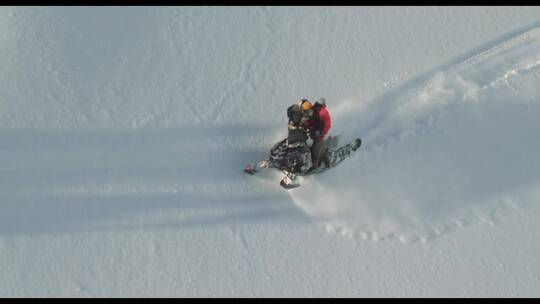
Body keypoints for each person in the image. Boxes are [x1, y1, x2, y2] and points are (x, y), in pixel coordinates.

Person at [286, 98, 331, 173]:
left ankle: (315, 166)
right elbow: (306, 118)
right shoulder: (312, 108)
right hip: (310, 131)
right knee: (306, 146)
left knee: (316, 148)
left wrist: (319, 132)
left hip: (315, 132)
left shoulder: (318, 110)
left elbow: (326, 125)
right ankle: (306, 161)